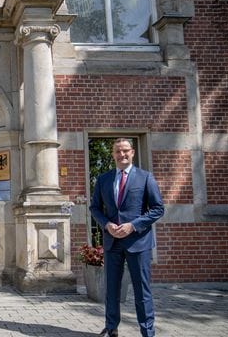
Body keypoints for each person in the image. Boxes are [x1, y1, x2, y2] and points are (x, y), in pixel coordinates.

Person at [89, 138, 164, 337]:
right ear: (112, 154)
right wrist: (106, 224)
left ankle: (147, 331)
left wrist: (133, 225)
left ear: (132, 152)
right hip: (112, 242)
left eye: (125, 151)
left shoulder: (145, 177)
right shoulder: (103, 179)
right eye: (117, 151)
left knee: (142, 291)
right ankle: (111, 327)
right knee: (111, 289)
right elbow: (95, 207)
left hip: (138, 242)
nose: (122, 155)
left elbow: (158, 209)